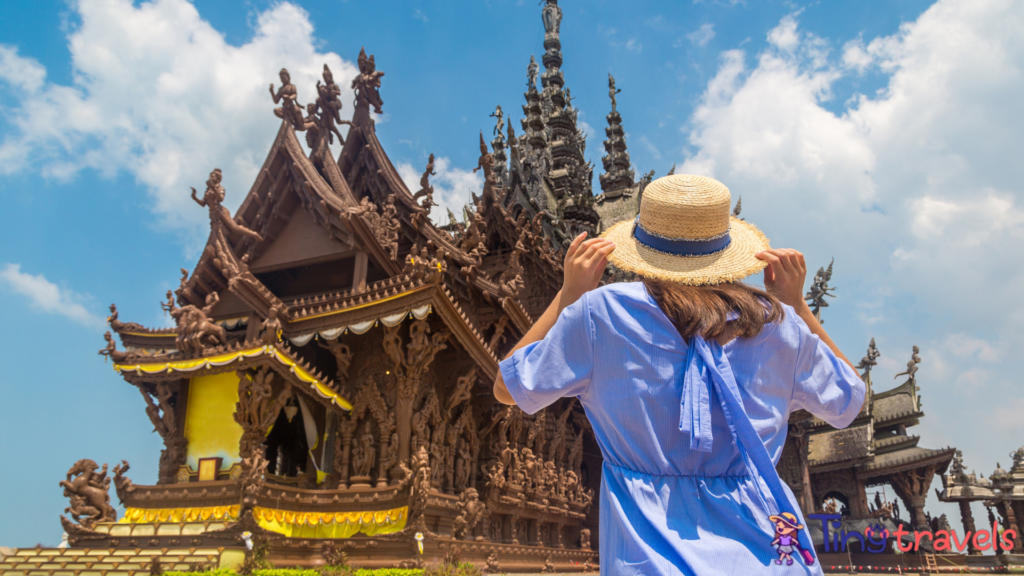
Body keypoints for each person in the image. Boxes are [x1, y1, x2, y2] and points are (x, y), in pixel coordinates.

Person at [493, 174, 864, 575]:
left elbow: (507, 388)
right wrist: (798, 306)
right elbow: (849, 399)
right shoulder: (779, 325)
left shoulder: (602, 314)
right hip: (770, 557)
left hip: (649, 557)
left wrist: (568, 296)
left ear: (642, 248)